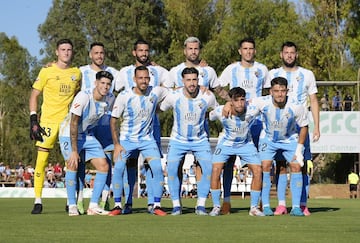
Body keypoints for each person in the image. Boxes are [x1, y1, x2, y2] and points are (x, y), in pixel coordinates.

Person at [114, 39, 169, 214]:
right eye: (141, 78)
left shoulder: (156, 90)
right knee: (121, 167)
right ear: (134, 79)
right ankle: (118, 204)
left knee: (156, 167)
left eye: (146, 78)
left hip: (147, 139)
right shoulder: (124, 95)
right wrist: (117, 144)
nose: (144, 81)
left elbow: (174, 91)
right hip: (127, 139)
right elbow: (113, 119)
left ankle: (156, 204)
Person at [265, 41, 320, 216]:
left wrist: (317, 126)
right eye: (286, 52)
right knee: (280, 165)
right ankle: (281, 204)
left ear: (296, 55)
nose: (289, 55)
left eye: (292, 52)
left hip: (300, 126)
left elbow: (313, 100)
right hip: (280, 127)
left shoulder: (307, 74)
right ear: (281, 55)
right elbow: (267, 99)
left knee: (301, 165)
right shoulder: (273, 73)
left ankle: (302, 204)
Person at [29, 38, 81, 214]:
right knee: (41, 161)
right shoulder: (46, 71)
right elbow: (34, 95)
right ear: (56, 52)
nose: (66, 52)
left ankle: (70, 201)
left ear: (72, 52)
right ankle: (37, 201)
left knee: (70, 161)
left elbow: (78, 96)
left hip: (67, 123)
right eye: (63, 49)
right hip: (48, 122)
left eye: (69, 49)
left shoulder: (77, 73)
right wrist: (33, 119)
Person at [218, 37, 269, 214]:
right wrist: (228, 102)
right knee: (228, 162)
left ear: (254, 51)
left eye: (251, 48)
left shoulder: (262, 69)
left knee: (261, 163)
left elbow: (268, 93)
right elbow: (217, 86)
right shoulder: (231, 69)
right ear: (240, 51)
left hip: (256, 122)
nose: (248, 51)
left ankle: (260, 201)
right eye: (245, 48)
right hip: (234, 121)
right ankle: (226, 201)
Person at [160, 67, 218, 216]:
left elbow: (216, 111)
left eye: (194, 79)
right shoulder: (174, 96)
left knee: (208, 169)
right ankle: (176, 205)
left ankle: (201, 205)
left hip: (200, 139)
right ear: (182, 81)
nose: (192, 83)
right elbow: (160, 108)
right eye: (188, 80)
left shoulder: (208, 96)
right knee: (172, 170)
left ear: (198, 80)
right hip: (178, 139)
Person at [59, 70, 114, 216]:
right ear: (96, 83)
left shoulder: (109, 98)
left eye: (108, 84)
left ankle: (93, 206)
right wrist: (75, 151)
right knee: (73, 164)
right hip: (68, 134)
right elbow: (73, 123)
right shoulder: (83, 96)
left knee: (104, 166)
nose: (105, 86)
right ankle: (72, 205)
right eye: (102, 83)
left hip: (86, 135)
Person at [253, 77, 309, 216]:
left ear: (287, 91)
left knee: (296, 166)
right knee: (265, 166)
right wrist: (228, 105)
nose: (279, 94)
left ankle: (296, 207)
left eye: (282, 91)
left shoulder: (296, 106)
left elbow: (304, 127)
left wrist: (299, 149)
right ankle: (266, 206)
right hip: (268, 139)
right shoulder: (261, 102)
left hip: (289, 139)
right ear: (271, 91)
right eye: (276, 91)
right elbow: (242, 106)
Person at [76, 42, 119, 214]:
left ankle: (104, 199)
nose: (99, 56)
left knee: (106, 161)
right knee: (80, 163)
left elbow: (133, 80)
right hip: (86, 124)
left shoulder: (114, 72)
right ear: (90, 54)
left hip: (104, 123)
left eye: (102, 53)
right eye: (96, 53)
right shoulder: (80, 71)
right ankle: (79, 200)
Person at [208, 87, 264, 217]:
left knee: (258, 170)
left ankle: (254, 208)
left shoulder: (252, 110)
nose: (240, 103)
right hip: (226, 143)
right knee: (216, 170)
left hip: (246, 144)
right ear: (231, 101)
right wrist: (226, 105)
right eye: (236, 100)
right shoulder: (220, 111)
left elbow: (267, 103)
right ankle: (216, 206)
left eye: (242, 99)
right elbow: (209, 116)